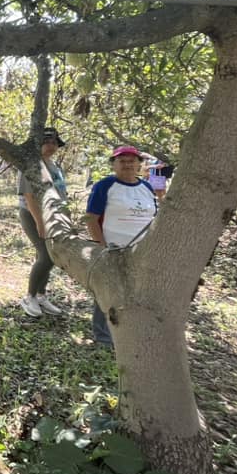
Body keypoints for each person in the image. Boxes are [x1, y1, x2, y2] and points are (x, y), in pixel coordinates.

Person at [84, 145, 157, 346]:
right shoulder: (105, 186)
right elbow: (91, 218)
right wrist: (102, 247)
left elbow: (155, 217)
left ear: (139, 165)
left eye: (132, 161)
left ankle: (132, 331)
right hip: (114, 249)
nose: (127, 164)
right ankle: (103, 337)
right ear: (114, 164)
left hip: (143, 250)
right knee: (108, 292)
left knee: (137, 291)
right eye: (122, 161)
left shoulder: (147, 188)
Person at [18, 127, 68, 318]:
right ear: (39, 144)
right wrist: (39, 222)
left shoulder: (55, 167)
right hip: (33, 215)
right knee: (45, 255)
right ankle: (29, 296)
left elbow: (61, 192)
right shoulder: (32, 165)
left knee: (52, 255)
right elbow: (29, 196)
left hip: (53, 216)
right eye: (47, 142)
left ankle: (41, 295)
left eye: (54, 143)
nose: (51, 146)